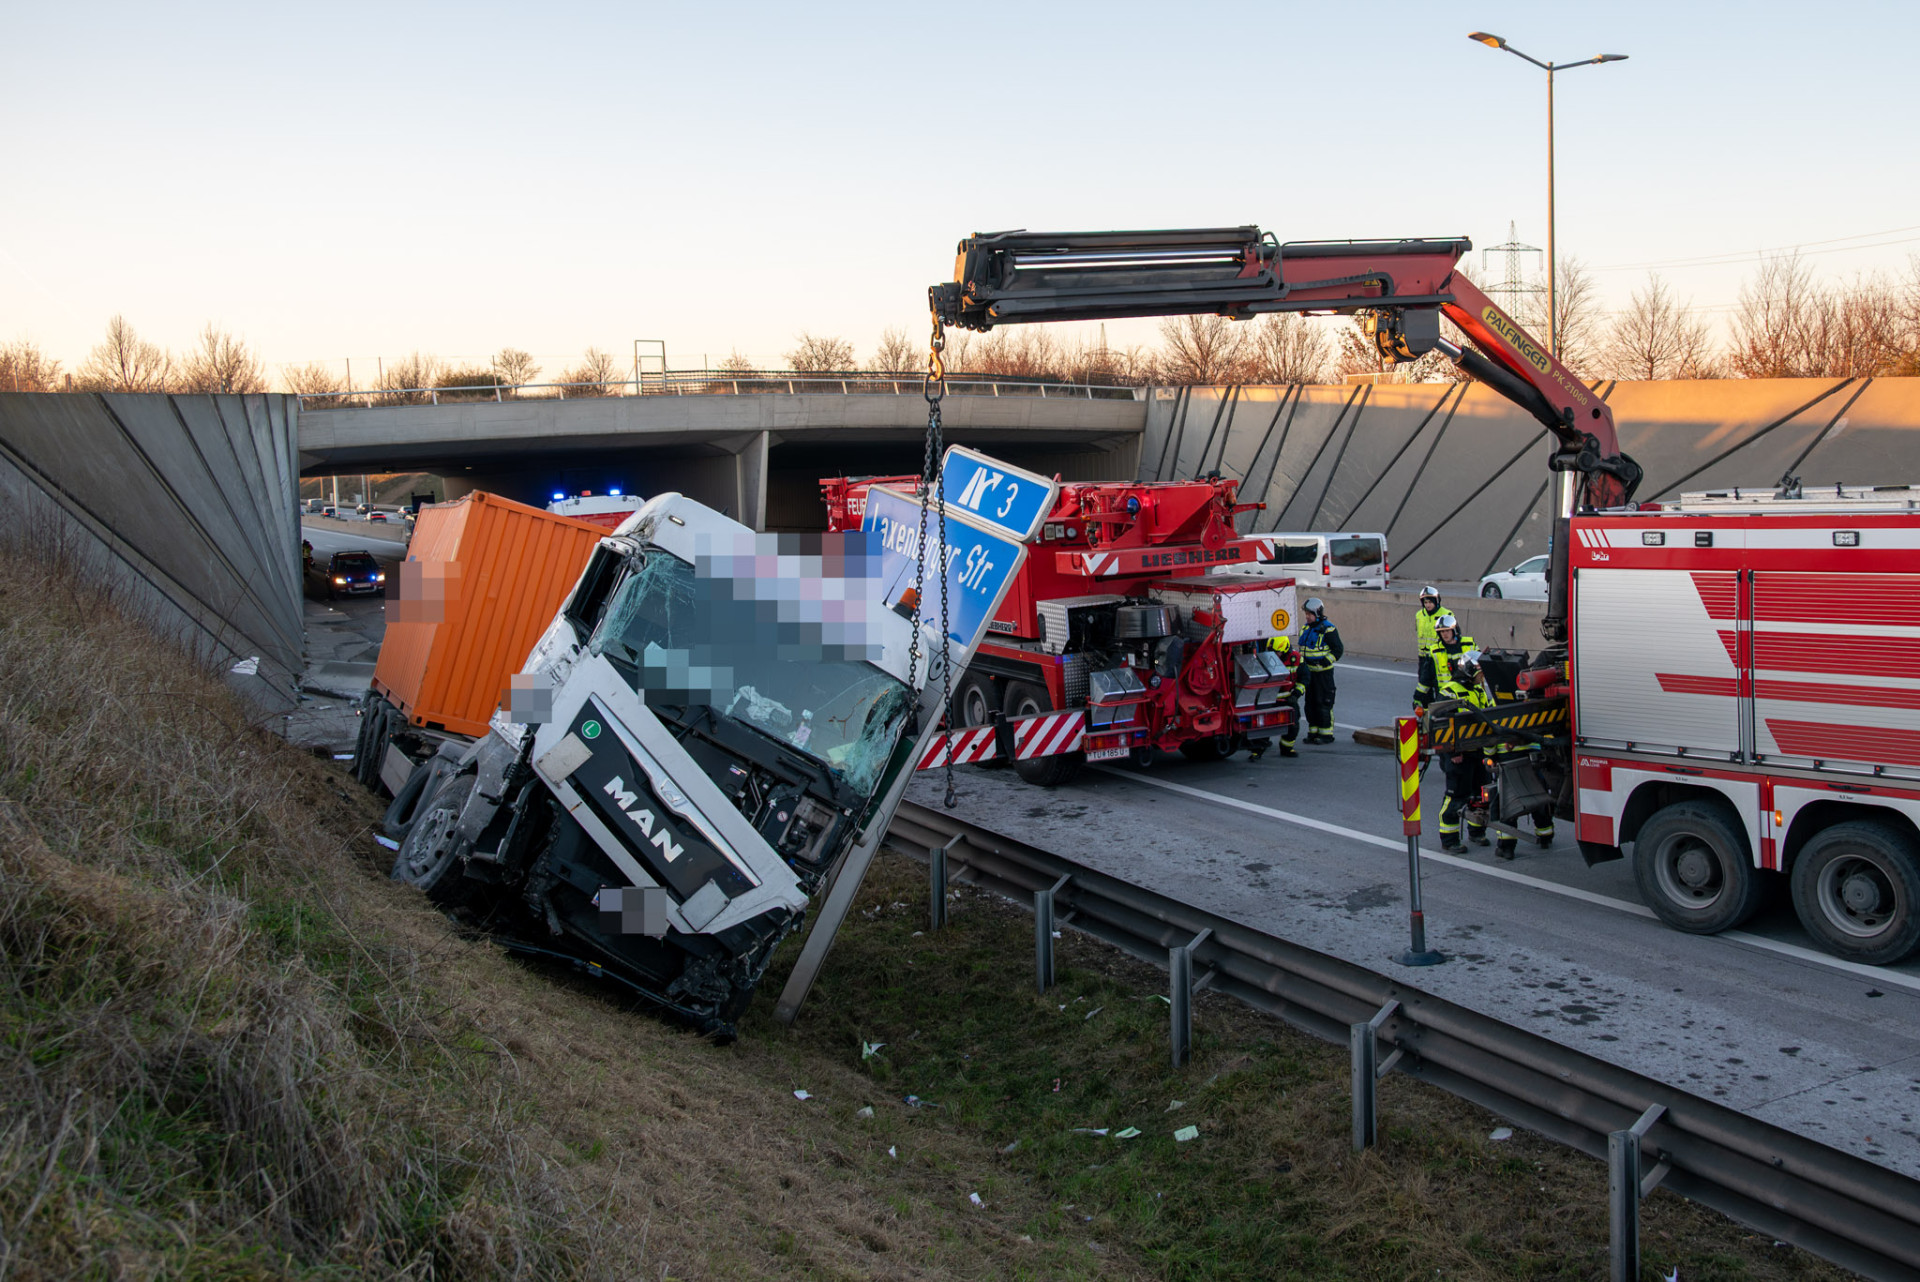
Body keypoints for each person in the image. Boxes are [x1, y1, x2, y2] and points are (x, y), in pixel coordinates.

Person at [1434, 646, 1491, 851]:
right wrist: (1454, 752)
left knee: (1481, 794)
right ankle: (1449, 840)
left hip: (1478, 751)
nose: (1482, 677)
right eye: (1480, 673)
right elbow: (1441, 725)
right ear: (1469, 671)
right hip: (1458, 755)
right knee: (1457, 796)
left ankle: (1476, 831)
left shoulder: (1478, 690)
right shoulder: (1450, 691)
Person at [1247, 634, 1302, 759]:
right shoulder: (1266, 658)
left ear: (1285, 649)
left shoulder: (1296, 658)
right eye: (1272, 652)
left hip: (1288, 698)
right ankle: (1257, 751)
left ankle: (1287, 748)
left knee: (1293, 724)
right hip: (1268, 698)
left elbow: (1304, 678)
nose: (1275, 655)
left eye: (1277, 652)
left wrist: (1296, 694)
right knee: (1262, 724)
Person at [1297, 598, 1343, 745]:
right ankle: (1313, 732)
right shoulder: (1306, 628)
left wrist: (1326, 660)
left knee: (1323, 703)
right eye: (1306, 614)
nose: (1307, 617)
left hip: (1323, 674)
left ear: (1317, 613)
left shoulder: (1328, 629)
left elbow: (1338, 649)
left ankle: (1326, 734)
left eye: (1309, 614)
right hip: (1309, 674)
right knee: (1310, 704)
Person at [1413, 586, 1443, 709]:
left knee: (1440, 689)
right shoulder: (1419, 615)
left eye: (1430, 602)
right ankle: (1426, 713)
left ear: (1436, 601)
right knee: (1424, 690)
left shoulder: (1446, 614)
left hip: (1438, 658)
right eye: (1425, 602)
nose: (1428, 605)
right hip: (1423, 658)